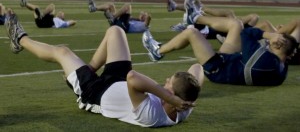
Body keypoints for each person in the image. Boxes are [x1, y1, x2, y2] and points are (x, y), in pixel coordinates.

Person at [4, 9, 203, 128]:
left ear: (170, 95)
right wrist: (182, 97)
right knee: (115, 31)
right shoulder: (182, 109)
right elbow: (196, 68)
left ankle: (20, 39)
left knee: (62, 52)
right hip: (118, 81)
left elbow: (133, 78)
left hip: (95, 94)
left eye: (168, 83)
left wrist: (169, 98)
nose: (165, 80)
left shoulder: (153, 116)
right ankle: (86, 69)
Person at [142, 0, 299, 86]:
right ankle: (195, 16)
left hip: (218, 69)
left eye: (274, 42)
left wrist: (269, 35)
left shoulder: (266, 59)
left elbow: (247, 33)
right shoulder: (280, 69)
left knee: (191, 33)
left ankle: (158, 50)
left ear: (279, 46)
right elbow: (284, 53)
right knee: (236, 24)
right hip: (233, 64)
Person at [166, 0, 259, 42]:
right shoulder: (247, 28)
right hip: (230, 29)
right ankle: (179, 9)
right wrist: (239, 20)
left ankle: (197, 12)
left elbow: (253, 18)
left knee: (227, 13)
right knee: (230, 15)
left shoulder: (243, 35)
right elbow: (254, 17)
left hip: (221, 32)